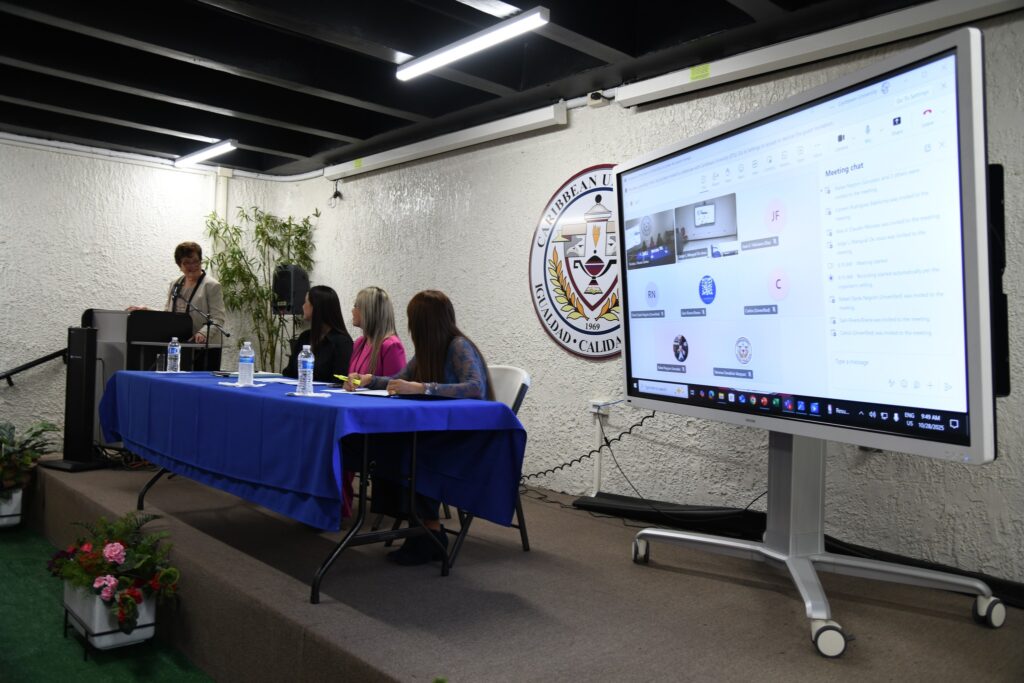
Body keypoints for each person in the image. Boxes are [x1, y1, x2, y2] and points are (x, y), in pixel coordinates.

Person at [346, 290, 494, 566]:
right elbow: (396, 380)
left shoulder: (458, 346)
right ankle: (417, 526)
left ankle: (430, 532)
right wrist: (368, 380)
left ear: (424, 322)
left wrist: (425, 388)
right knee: (390, 446)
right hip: (438, 433)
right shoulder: (428, 351)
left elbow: (476, 388)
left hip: (464, 439)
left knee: (412, 453)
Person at [340, 286, 407, 518]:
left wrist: (368, 382)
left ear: (368, 311)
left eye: (357, 306)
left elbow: (396, 388)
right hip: (357, 415)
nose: (352, 310)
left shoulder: (391, 346)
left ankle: (339, 503)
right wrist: (350, 383)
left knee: (335, 437)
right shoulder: (359, 343)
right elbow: (354, 380)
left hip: (377, 427)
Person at [129, 241, 226, 370]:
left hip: (203, 349)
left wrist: (203, 334)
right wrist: (147, 311)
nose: (192, 266)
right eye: (186, 262)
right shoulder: (175, 284)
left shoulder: (212, 286)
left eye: (195, 261)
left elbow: (218, 318)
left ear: (201, 261)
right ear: (179, 265)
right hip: (177, 346)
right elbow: (169, 315)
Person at [282, 285, 353, 383]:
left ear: (316, 307)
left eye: (306, 302)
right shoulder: (304, 337)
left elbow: (340, 380)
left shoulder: (342, 342)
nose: (303, 306)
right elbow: (289, 372)